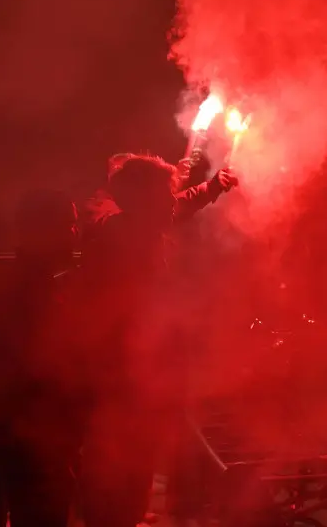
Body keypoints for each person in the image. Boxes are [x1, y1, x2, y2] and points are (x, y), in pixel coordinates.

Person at [76, 152, 238, 527]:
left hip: (138, 374)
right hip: (122, 378)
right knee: (118, 468)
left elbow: (180, 204)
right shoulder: (121, 238)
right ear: (144, 200)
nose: (170, 200)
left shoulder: (133, 226)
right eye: (163, 194)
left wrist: (212, 186)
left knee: (135, 466)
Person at [0, 189, 85, 527]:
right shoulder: (28, 289)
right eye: (68, 224)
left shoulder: (36, 282)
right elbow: (37, 367)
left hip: (41, 433)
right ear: (42, 230)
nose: (75, 232)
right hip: (37, 436)